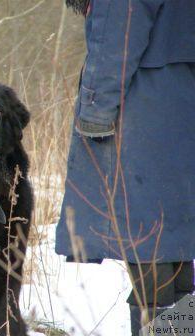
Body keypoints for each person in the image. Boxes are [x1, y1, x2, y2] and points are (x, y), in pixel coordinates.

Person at [56, 0, 195, 334]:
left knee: (151, 245)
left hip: (144, 108)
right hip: (182, 100)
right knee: (175, 243)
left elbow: (115, 40)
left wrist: (93, 113)